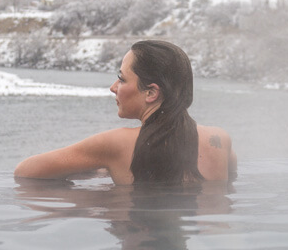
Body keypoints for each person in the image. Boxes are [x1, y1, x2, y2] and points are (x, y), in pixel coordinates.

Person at [14, 40, 237, 185]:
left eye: (121, 79)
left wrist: (94, 200)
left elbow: (25, 172)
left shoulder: (116, 144)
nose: (113, 87)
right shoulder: (219, 140)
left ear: (151, 93)